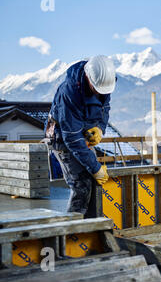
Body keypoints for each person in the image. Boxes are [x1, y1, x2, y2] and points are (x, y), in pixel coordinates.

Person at [45, 55, 116, 217]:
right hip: (62, 139)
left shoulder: (104, 84)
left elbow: (105, 109)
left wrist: (100, 128)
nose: (100, 92)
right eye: (96, 88)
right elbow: (72, 139)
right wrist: (96, 167)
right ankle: (73, 232)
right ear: (88, 77)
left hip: (82, 135)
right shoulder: (69, 92)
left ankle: (90, 226)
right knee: (81, 185)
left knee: (92, 179)